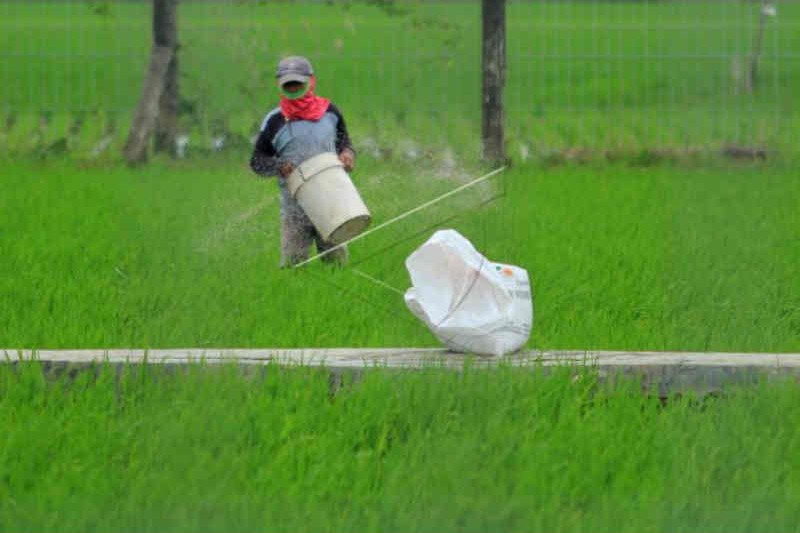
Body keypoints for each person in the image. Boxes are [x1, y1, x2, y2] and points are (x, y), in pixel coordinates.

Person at [250, 56, 356, 267]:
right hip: (295, 206)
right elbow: (257, 161)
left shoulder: (330, 112)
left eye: (298, 82)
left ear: (311, 81)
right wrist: (278, 166)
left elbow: (344, 142)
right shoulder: (274, 120)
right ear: (279, 85)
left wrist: (347, 153)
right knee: (293, 265)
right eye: (288, 84)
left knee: (337, 264)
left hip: (332, 201)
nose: (293, 87)